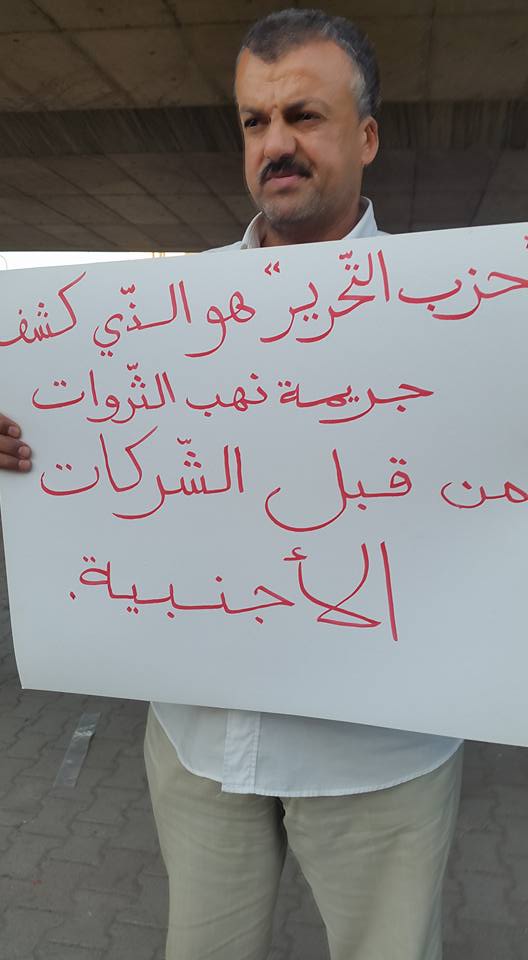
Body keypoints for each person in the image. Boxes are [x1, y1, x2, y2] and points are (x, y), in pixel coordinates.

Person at [0, 10, 463, 960]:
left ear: (368, 137)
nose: (275, 143)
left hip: (378, 755)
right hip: (201, 743)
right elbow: (94, 458)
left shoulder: (461, 316)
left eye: (305, 115)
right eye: (256, 121)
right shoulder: (156, 316)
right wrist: (23, 445)